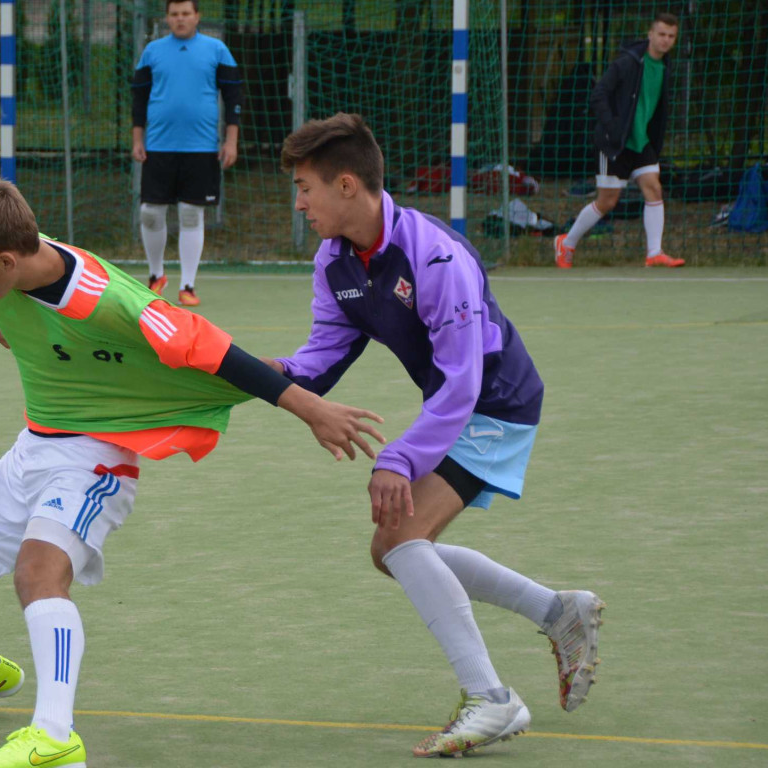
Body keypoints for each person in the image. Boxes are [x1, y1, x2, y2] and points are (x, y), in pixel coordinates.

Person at [0, 177, 384, 768]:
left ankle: (55, 738)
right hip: (29, 453)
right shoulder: (5, 271)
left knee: (38, 575)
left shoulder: (111, 300)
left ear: (7, 259)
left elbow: (212, 351)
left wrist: (310, 408)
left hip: (95, 460)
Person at [267, 113, 606, 758]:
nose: (300, 201)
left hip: (496, 404)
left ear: (346, 186)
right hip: (462, 405)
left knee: (398, 538)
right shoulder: (336, 259)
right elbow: (323, 357)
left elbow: (462, 384)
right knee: (393, 546)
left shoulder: (436, 256)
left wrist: (398, 457)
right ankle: (555, 611)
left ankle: (493, 699)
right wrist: (264, 373)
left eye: (305, 186)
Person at [131, 0, 241, 307]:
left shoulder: (217, 49)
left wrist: (231, 141)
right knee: (150, 212)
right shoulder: (152, 51)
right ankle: (156, 277)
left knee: (192, 213)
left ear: (197, 17)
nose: (180, 19)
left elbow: (233, 96)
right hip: (158, 146)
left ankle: (188, 285)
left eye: (186, 14)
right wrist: (137, 137)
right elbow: (138, 98)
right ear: (167, 18)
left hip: (202, 148)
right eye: (174, 14)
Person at [555, 12, 684, 268]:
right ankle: (566, 242)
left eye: (671, 36)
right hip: (614, 143)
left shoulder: (665, 66)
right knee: (607, 202)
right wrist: (613, 128)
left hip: (642, 143)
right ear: (650, 34)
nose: (665, 40)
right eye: (661, 34)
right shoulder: (627, 63)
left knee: (654, 188)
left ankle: (654, 252)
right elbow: (599, 94)